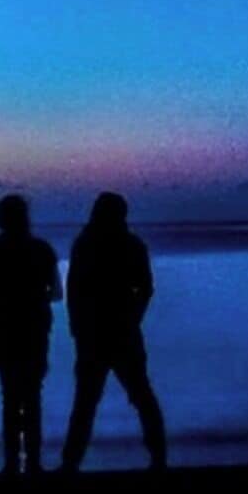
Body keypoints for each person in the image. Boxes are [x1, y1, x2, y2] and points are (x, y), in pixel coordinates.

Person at [60, 192, 168, 472]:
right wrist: (133, 317)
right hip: (113, 331)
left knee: (90, 401)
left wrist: (78, 324)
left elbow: (75, 289)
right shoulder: (129, 245)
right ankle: (158, 457)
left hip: (102, 333)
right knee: (137, 396)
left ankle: (71, 463)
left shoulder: (89, 244)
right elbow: (145, 288)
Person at [0, 194, 58, 476]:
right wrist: (33, 296)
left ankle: (11, 462)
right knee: (32, 396)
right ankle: (32, 461)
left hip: (5, 328)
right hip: (35, 327)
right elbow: (56, 292)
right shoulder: (42, 249)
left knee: (10, 396)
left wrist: (4, 294)